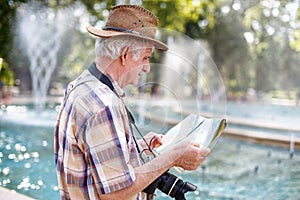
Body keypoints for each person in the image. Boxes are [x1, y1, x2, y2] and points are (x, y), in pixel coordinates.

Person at [54, 5, 210, 200]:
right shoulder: (103, 104)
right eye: (145, 58)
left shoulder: (82, 86)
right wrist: (173, 156)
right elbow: (115, 192)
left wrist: (138, 147)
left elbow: (96, 160)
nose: (146, 68)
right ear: (125, 55)